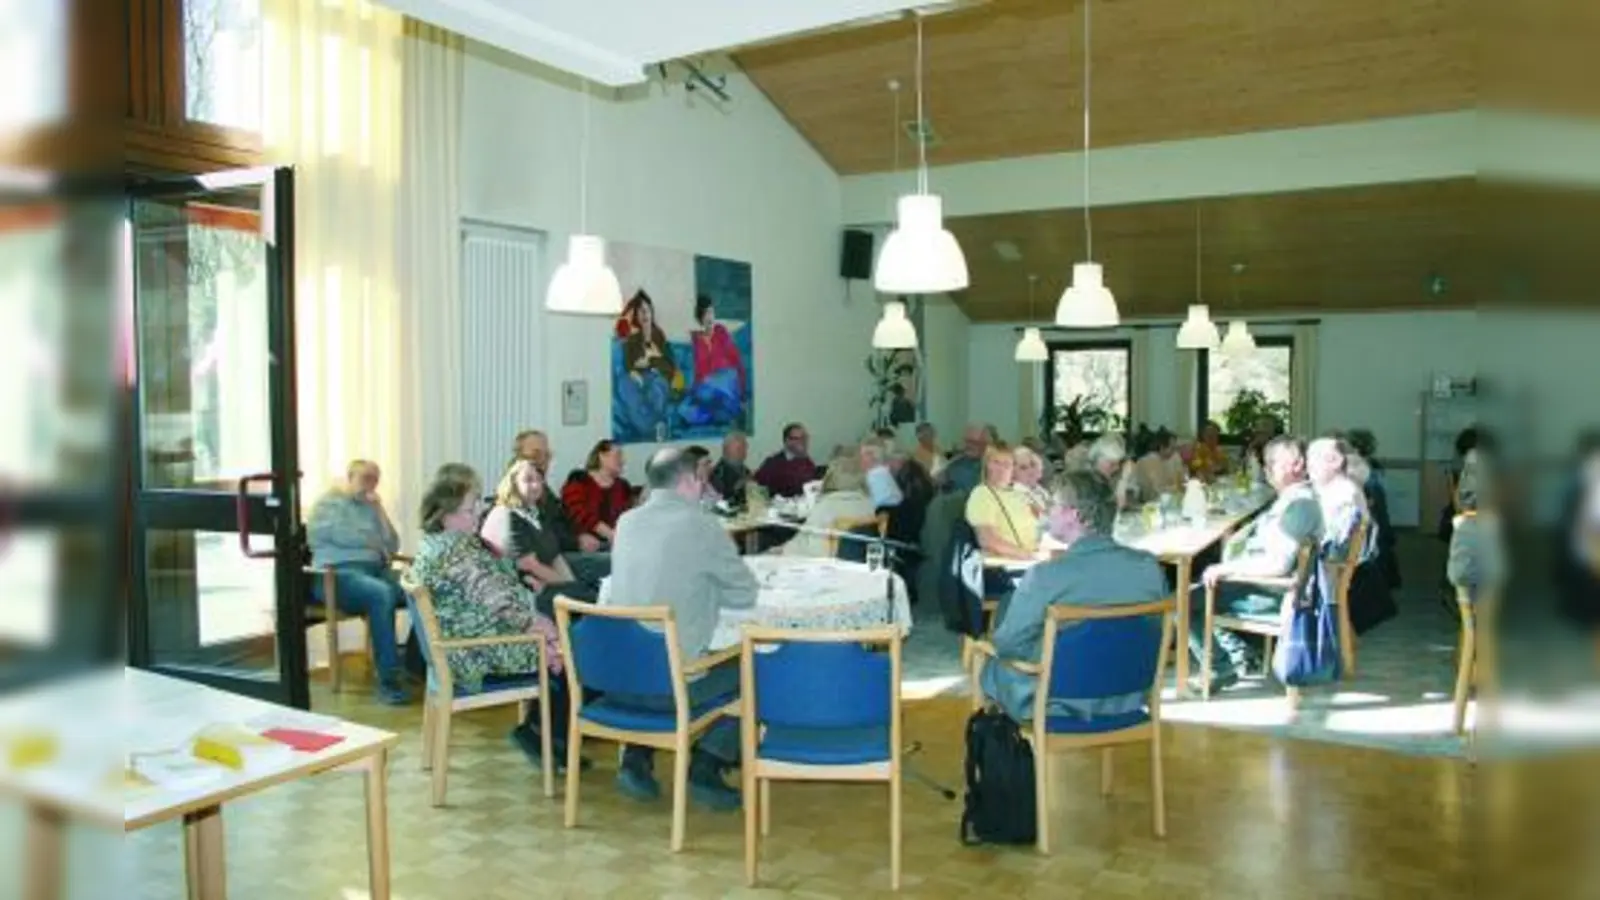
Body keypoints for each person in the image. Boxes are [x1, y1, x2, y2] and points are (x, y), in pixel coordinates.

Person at [604, 447, 756, 810]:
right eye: (701, 480)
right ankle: (707, 764)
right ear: (689, 481)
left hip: (615, 679)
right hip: (669, 687)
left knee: (653, 646)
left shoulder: (626, 522)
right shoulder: (701, 524)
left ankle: (636, 758)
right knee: (755, 664)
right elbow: (744, 593)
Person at [408, 465, 576, 772]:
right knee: (571, 649)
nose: (477, 517)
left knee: (558, 641)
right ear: (445, 514)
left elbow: (490, 586)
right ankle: (545, 739)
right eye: (470, 511)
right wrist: (542, 628)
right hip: (477, 653)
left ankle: (544, 734)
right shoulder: (454, 551)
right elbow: (496, 599)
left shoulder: (436, 543)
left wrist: (526, 588)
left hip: (460, 645)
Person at [982, 471, 1168, 721]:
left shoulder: (1044, 577)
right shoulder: (1148, 568)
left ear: (1075, 515)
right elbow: (1158, 630)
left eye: (1053, 505)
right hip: (1131, 696)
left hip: (1058, 702)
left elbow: (1008, 645)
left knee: (989, 664)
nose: (1046, 512)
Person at [1189, 436, 1322, 691]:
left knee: (1183, 603)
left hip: (1271, 593)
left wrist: (1225, 568)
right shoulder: (1294, 499)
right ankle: (1240, 653)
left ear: (1297, 465)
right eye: (1267, 463)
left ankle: (1221, 666)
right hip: (1270, 587)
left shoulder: (1299, 506)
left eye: (1273, 463)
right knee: (1199, 590)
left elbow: (1277, 564)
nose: (1266, 469)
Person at [305, 460, 410, 705]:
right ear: (350, 476)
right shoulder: (328, 503)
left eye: (375, 479)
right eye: (365, 478)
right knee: (381, 593)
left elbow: (393, 544)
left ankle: (417, 664)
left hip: (375, 570)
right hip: (337, 575)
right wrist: (370, 543)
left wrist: (380, 511)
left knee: (423, 587)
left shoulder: (370, 506)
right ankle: (389, 680)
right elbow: (333, 535)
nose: (370, 484)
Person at [481, 460, 605, 617]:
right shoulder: (509, 514)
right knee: (591, 599)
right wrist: (569, 589)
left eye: (539, 479)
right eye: (528, 480)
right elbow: (529, 565)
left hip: (545, 583)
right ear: (512, 483)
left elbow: (555, 557)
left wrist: (571, 585)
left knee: (592, 592)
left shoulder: (536, 513)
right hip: (524, 592)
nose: (536, 485)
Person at [615, 290, 681, 440]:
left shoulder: (660, 337)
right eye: (640, 311)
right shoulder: (632, 341)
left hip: (658, 378)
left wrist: (650, 361)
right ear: (636, 315)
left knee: (657, 388)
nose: (644, 314)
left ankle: (651, 429)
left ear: (652, 312)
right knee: (625, 385)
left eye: (647, 310)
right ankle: (653, 428)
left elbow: (669, 366)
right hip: (638, 379)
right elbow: (628, 364)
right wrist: (634, 371)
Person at [783, 455, 876, 559]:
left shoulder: (826, 506)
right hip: (859, 562)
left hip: (821, 562)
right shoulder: (870, 504)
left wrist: (783, 550)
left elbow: (808, 544)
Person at [1447, 451, 1505, 606]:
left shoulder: (1463, 480)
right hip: (1488, 533)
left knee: (1464, 597)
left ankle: (1468, 627)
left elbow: (1457, 504)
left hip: (1464, 533)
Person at [680, 294, 747, 430]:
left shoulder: (721, 332)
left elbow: (736, 361)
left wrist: (742, 391)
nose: (709, 317)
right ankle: (723, 414)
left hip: (726, 380)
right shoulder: (696, 341)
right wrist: (694, 390)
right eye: (705, 314)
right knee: (683, 409)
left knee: (719, 385)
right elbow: (698, 372)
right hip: (708, 388)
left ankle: (727, 409)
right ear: (700, 318)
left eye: (711, 312)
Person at [965, 444, 1039, 561]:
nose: (1001, 468)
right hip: (1008, 565)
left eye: (1006, 464)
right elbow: (988, 540)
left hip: (1034, 557)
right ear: (986, 466)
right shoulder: (982, 493)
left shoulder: (1018, 493)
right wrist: (1029, 556)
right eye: (996, 462)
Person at [560, 440, 634, 549]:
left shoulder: (623, 486)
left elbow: (628, 517)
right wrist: (609, 534)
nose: (623, 461)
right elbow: (576, 513)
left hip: (616, 545)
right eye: (618, 455)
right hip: (585, 546)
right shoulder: (579, 480)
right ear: (602, 456)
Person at [754, 422, 819, 498]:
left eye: (804, 438)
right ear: (787, 441)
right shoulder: (772, 464)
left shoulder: (807, 462)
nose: (803, 442)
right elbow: (757, 489)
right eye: (798, 439)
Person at [1133, 427, 1185, 500]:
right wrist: (1176, 487)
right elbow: (1157, 490)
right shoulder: (1150, 461)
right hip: (1150, 503)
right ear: (1162, 447)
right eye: (1172, 448)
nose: (1174, 452)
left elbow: (1181, 479)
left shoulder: (1171, 458)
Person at [941, 424, 990, 494]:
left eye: (974, 442)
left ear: (985, 444)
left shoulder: (992, 467)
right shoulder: (955, 463)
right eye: (967, 441)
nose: (969, 446)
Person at [708, 430, 752, 505]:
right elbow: (720, 501)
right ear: (726, 450)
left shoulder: (745, 470)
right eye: (738, 448)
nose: (743, 451)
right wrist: (737, 489)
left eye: (745, 447)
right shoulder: (718, 474)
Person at [859, 436, 903, 509]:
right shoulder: (885, 473)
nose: (860, 459)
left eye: (862, 455)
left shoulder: (875, 476)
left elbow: (875, 505)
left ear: (871, 457)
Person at [1011, 445, 1051, 518]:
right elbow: (1041, 517)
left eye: (1032, 465)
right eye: (1023, 468)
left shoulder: (1039, 489)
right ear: (1012, 474)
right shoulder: (1016, 494)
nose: (1030, 470)